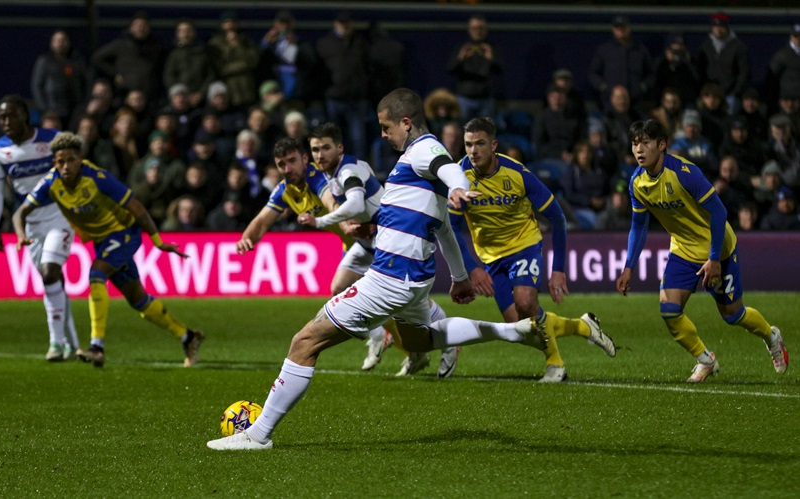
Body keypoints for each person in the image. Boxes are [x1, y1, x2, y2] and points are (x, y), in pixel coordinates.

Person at [206, 88, 549, 450]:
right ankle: (511, 331)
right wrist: (460, 276)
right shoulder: (419, 166)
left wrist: (460, 186)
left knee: (304, 342)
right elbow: (444, 228)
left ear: (406, 123)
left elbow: (447, 168)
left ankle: (258, 435)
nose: (383, 135)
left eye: (386, 127)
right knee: (418, 340)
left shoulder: (424, 150)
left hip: (390, 277)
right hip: (415, 277)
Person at [12, 132, 205, 368]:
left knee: (97, 273)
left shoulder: (98, 178)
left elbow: (137, 207)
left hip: (124, 232)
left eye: (71, 160)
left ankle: (97, 347)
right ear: (54, 162)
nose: (66, 166)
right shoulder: (51, 182)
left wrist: (157, 241)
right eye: (60, 162)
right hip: (102, 241)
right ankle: (187, 336)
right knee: (138, 299)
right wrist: (20, 234)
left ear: (80, 159)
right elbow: (20, 213)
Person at [616, 118, 788, 382]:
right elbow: (638, 226)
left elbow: (719, 211)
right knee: (669, 310)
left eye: (646, 143)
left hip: (718, 247)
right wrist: (628, 267)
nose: (639, 149)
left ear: (662, 145)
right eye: (634, 144)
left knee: (733, 315)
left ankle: (771, 336)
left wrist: (714, 258)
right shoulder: (637, 183)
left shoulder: (684, 173)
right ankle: (705, 360)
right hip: (683, 249)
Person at [450, 117, 615, 383]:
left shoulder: (517, 174)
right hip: (491, 257)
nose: (473, 151)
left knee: (526, 302)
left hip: (523, 245)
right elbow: (452, 228)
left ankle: (555, 365)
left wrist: (558, 270)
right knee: (520, 327)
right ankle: (583, 326)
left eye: (480, 144)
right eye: (468, 144)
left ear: (493, 145)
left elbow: (557, 217)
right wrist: (473, 269)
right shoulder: (459, 178)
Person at [299, 123, 459, 376]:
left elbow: (354, 204)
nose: (320, 155)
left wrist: (319, 222)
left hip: (388, 242)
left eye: (325, 148)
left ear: (339, 148)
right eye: (315, 149)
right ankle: (380, 336)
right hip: (368, 242)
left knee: (411, 302)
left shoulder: (348, 171)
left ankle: (449, 342)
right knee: (339, 286)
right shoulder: (333, 173)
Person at [0, 95, 81, 362]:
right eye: (2, 117)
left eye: (12, 116)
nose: (6, 122)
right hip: (30, 223)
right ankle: (72, 345)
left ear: (25, 116)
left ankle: (55, 343)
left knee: (50, 272)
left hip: (60, 215)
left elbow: (78, 160)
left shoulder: (53, 140)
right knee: (53, 280)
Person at [316, 11, 371, 160]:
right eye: (341, 23)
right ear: (336, 24)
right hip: (334, 99)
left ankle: (358, 169)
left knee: (358, 140)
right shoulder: (325, 43)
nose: (344, 26)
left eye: (347, 23)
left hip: (356, 99)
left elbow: (369, 69)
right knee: (333, 139)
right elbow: (318, 73)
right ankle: (335, 168)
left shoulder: (361, 43)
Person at [91, 11, 165, 100]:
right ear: (131, 28)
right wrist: (115, 73)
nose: (140, 28)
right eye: (137, 25)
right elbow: (97, 58)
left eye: (144, 25)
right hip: (124, 94)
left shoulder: (156, 47)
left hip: (149, 95)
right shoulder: (121, 44)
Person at [588, 15, 653, 111]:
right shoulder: (604, 50)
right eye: (617, 28)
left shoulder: (640, 50)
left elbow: (651, 74)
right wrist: (606, 88)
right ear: (613, 29)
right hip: (610, 103)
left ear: (629, 28)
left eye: (623, 27)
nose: (620, 30)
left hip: (635, 102)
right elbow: (593, 74)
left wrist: (642, 88)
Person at [447, 15, 503, 123]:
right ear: (469, 30)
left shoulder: (491, 48)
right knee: (463, 128)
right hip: (464, 98)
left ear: (486, 30)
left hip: (485, 99)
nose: (478, 31)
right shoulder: (462, 47)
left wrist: (491, 59)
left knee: (486, 129)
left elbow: (500, 70)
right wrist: (461, 58)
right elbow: (450, 69)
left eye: (481, 28)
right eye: (474, 28)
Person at [695, 12, 750, 114]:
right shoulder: (706, 46)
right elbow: (700, 71)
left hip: (729, 94)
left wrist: (735, 92)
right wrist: (704, 92)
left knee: (731, 107)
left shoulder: (738, 47)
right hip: (709, 94)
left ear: (727, 27)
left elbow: (744, 73)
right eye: (716, 27)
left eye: (721, 26)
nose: (718, 30)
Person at [30, 30, 87, 126]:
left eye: (63, 40)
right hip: (52, 110)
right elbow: (37, 86)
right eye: (57, 40)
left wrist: (81, 107)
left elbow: (84, 84)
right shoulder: (44, 61)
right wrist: (45, 108)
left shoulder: (77, 61)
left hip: (72, 111)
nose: (60, 43)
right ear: (52, 43)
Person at [208, 11, 260, 108]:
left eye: (232, 22)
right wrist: (231, 47)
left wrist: (237, 46)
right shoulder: (215, 44)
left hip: (247, 89)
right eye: (226, 22)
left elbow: (253, 61)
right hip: (229, 90)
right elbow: (220, 68)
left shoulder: (246, 42)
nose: (230, 25)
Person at [163, 20, 213, 109]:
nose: (185, 33)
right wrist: (180, 94)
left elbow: (210, 75)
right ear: (177, 34)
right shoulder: (174, 54)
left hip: (201, 100)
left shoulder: (203, 52)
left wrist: (201, 93)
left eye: (188, 30)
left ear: (194, 33)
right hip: (179, 101)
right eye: (182, 31)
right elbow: (169, 76)